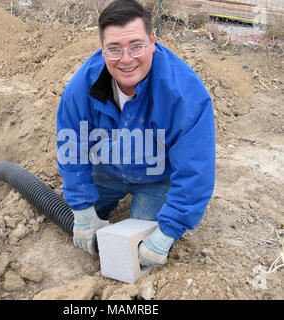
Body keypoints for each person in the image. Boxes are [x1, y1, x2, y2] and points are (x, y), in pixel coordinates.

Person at [56, 0, 216, 268]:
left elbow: (196, 170)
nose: (126, 59)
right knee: (80, 221)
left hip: (157, 177)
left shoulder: (184, 94)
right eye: (114, 50)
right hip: (106, 169)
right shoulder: (82, 86)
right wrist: (81, 207)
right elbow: (71, 146)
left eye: (136, 46)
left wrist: (168, 232)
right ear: (103, 50)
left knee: (141, 253)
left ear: (152, 41)